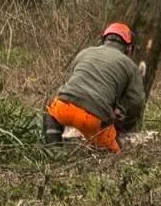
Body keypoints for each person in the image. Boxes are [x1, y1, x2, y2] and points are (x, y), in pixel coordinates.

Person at [42, 22, 146, 153]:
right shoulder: (130, 66)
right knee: (115, 156)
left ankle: (53, 152)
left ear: (103, 40)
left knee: (50, 114)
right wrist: (123, 125)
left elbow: (70, 81)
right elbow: (136, 102)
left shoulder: (84, 53)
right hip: (93, 119)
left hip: (64, 108)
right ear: (128, 48)